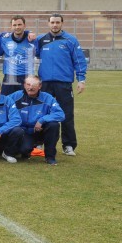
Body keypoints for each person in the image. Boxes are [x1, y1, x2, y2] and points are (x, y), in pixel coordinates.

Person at [36, 13, 87, 156]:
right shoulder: (40, 40)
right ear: (48, 23)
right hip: (45, 84)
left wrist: (81, 80)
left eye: (57, 22)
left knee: (66, 115)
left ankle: (68, 145)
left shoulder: (70, 40)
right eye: (52, 22)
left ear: (62, 24)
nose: (55, 25)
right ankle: (39, 143)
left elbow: (79, 61)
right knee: (42, 113)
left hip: (63, 84)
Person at [10, 75, 66, 165]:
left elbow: (61, 114)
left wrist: (42, 120)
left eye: (34, 85)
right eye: (28, 84)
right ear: (24, 85)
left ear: (40, 86)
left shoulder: (48, 98)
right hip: (25, 131)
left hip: (41, 131)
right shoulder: (16, 95)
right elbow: (1, 102)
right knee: (24, 150)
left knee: (53, 125)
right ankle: (26, 150)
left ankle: (50, 157)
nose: (30, 87)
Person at [0, 15, 36, 95]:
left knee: (26, 103)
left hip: (26, 77)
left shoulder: (33, 39)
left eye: (19, 24)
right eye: (14, 25)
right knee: (6, 102)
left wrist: (29, 32)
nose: (17, 27)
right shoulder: (4, 39)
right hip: (9, 76)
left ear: (24, 25)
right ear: (11, 27)